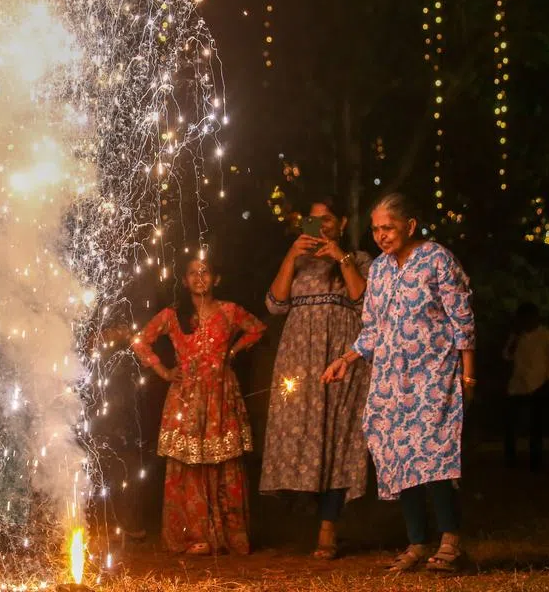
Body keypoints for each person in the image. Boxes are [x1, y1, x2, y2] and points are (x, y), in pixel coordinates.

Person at [322, 193, 475, 573]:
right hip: (390, 379)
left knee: (433, 455)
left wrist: (468, 375)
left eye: (388, 227)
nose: (381, 235)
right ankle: (417, 541)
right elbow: (372, 328)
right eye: (375, 228)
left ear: (410, 225)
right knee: (395, 452)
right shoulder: (379, 269)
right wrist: (345, 359)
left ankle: (451, 542)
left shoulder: (437, 258)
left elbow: (463, 321)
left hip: (433, 375)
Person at [131, 257, 265, 555]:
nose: (199, 277)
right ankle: (195, 535)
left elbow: (257, 328)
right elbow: (140, 341)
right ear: (184, 281)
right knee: (189, 465)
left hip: (220, 395)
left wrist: (233, 351)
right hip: (186, 398)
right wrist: (164, 371)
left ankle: (228, 536)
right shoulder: (173, 315)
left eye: (205, 272)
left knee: (222, 461)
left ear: (216, 279)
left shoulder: (229, 311)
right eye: (193, 273)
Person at [261, 197, 372, 559]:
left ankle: (329, 527)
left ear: (341, 223)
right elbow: (275, 304)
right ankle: (302, 504)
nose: (320, 226)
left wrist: (341, 258)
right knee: (300, 433)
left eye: (327, 220)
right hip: (297, 358)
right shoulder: (298, 260)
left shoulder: (359, 260)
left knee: (339, 436)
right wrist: (291, 257)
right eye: (313, 220)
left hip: (342, 358)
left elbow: (365, 303)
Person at [503, 302, 549, 470]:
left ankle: (536, 460)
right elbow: (506, 356)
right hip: (517, 385)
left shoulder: (546, 335)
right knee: (512, 424)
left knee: (536, 426)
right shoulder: (518, 336)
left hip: (538, 384)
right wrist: (514, 339)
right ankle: (510, 459)